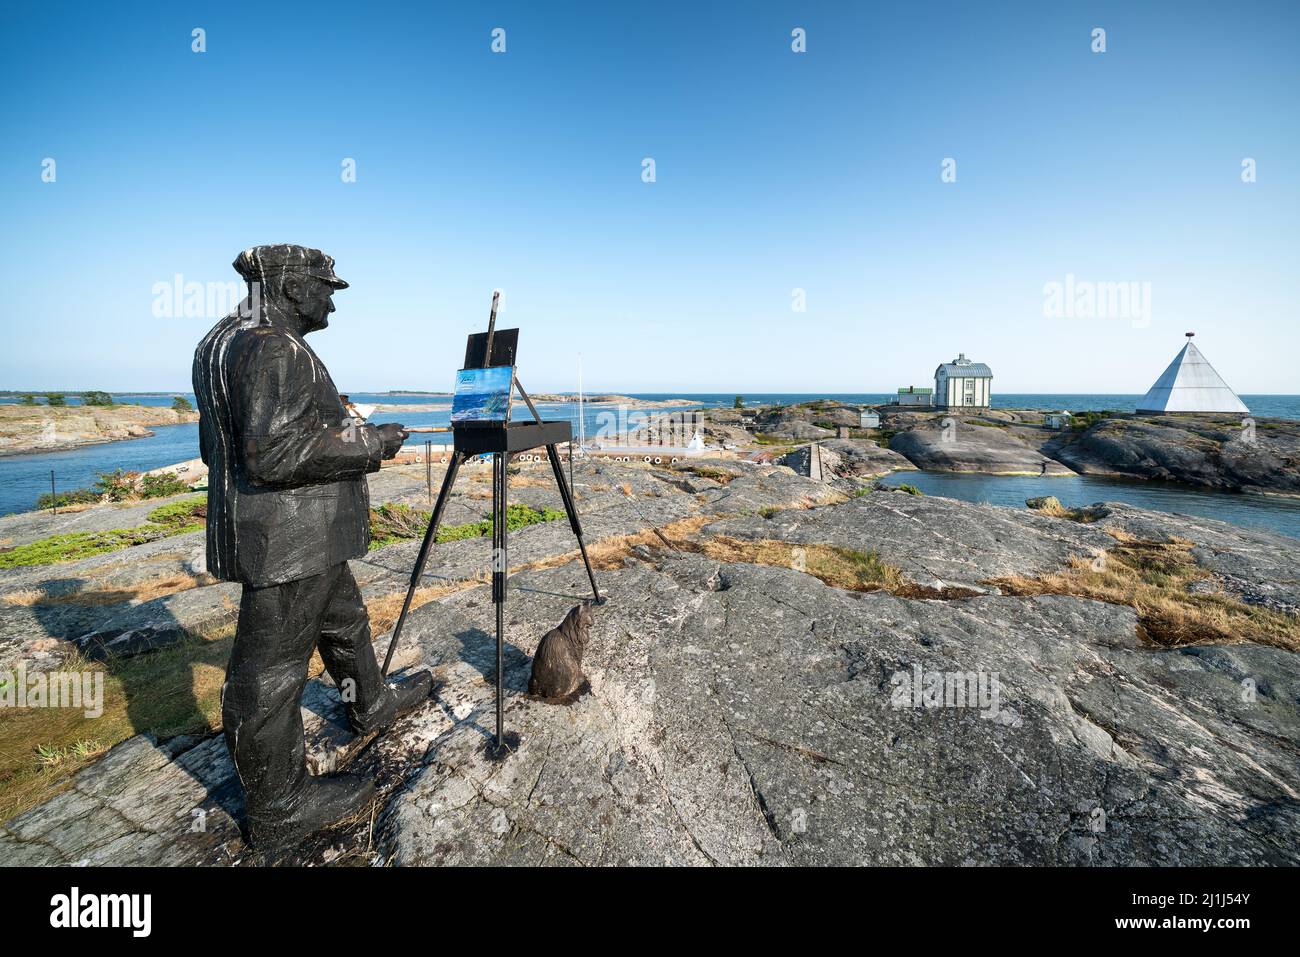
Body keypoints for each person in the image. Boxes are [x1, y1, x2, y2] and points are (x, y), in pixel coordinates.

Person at [192, 244, 431, 849]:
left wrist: (338, 426)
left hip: (300, 536)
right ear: (294, 286)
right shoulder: (274, 347)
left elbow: (224, 442)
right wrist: (371, 441)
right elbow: (273, 453)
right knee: (269, 673)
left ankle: (369, 702)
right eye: (328, 288)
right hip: (287, 540)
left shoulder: (219, 342)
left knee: (345, 621)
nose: (332, 301)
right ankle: (280, 807)